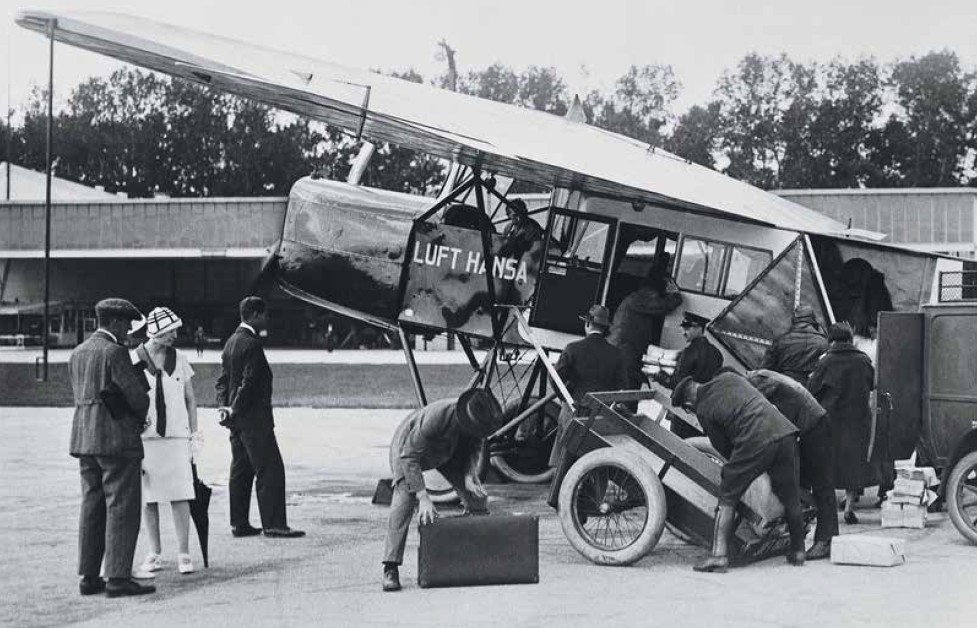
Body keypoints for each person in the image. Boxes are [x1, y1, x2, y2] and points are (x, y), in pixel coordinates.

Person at [671, 371, 806, 572]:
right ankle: (798, 550)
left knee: (727, 494)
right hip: (785, 432)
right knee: (790, 494)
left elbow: (724, 449)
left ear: (688, 405)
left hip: (756, 440)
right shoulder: (728, 378)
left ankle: (718, 556)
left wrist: (737, 471)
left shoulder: (704, 410)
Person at [69, 298, 155, 598]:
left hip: (84, 437)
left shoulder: (78, 352)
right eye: (126, 324)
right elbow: (137, 398)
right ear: (116, 322)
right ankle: (118, 576)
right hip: (116, 438)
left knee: (92, 506)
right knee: (121, 506)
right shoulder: (115, 352)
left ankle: (89, 576)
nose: (128, 330)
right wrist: (140, 411)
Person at [382, 388, 504, 592]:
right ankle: (390, 567)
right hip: (409, 453)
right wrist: (423, 497)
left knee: (477, 499)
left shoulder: (479, 419)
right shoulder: (436, 417)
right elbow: (409, 457)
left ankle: (476, 558)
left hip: (447, 454)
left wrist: (468, 476)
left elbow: (475, 447)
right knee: (404, 500)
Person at [216, 296, 305, 539]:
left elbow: (222, 381)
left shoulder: (231, 342)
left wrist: (224, 407)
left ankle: (239, 523)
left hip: (237, 421)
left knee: (241, 470)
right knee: (270, 469)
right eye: (264, 315)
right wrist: (235, 407)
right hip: (254, 419)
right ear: (254, 314)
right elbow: (251, 382)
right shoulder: (252, 344)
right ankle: (274, 524)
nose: (267, 319)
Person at [132, 307, 199, 576]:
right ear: (157, 333)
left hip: (176, 436)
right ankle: (154, 552)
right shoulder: (134, 360)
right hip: (146, 439)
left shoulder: (179, 358)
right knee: (149, 497)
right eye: (171, 331)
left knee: (180, 494)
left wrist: (195, 433)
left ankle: (184, 552)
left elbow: (190, 398)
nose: (175, 335)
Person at [746, 369, 837, 560]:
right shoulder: (762, 376)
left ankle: (825, 541)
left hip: (814, 426)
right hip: (813, 423)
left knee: (821, 485)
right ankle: (808, 537)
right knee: (806, 482)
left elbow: (768, 416)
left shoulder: (757, 382)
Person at [808, 322, 875, 525]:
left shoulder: (826, 362)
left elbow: (812, 389)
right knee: (853, 464)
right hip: (858, 420)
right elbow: (872, 384)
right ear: (849, 338)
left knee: (828, 464)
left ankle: (823, 510)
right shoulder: (863, 361)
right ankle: (849, 509)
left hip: (831, 420)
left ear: (832, 340)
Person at [548, 304, 629, 467]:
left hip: (574, 410)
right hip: (601, 414)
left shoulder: (573, 349)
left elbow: (555, 377)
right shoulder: (616, 354)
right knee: (594, 463)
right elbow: (624, 387)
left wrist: (565, 397)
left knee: (565, 461)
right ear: (606, 328)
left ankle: (561, 490)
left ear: (587, 324)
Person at [608, 272, 682, 389]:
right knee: (629, 384)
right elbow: (661, 306)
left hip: (622, 346)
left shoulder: (633, 298)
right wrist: (675, 295)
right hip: (626, 349)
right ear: (652, 291)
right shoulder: (639, 299)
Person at [657, 311, 723, 437]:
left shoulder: (689, 352)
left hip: (684, 409)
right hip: (703, 412)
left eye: (687, 328)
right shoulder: (717, 354)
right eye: (683, 328)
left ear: (699, 329)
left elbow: (678, 383)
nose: (683, 332)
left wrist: (659, 376)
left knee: (678, 442)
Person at [760, 305, 829, 386]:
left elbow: (765, 369)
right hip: (810, 392)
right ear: (813, 321)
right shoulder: (823, 343)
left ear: (794, 320)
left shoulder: (782, 340)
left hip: (782, 387)